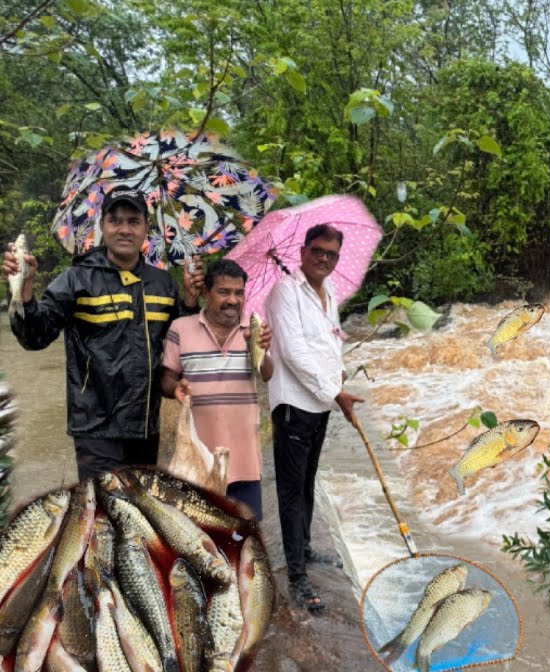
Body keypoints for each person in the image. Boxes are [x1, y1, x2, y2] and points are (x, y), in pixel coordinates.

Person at [3, 187, 204, 481]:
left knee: (141, 515)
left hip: (145, 428)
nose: (125, 229)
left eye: (134, 221)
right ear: (103, 226)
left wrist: (188, 301)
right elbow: (34, 337)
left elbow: (181, 349)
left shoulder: (163, 284)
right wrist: (25, 289)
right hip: (95, 429)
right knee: (104, 518)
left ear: (146, 229)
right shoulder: (76, 279)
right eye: (116, 221)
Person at [266, 222, 365, 613]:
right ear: (303, 251)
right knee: (291, 491)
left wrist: (338, 375)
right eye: (318, 251)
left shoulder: (330, 292)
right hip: (293, 405)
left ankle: (305, 548)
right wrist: (336, 393)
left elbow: (331, 339)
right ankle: (297, 577)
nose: (324, 258)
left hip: (320, 404)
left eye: (332, 254)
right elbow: (292, 353)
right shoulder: (285, 291)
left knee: (307, 481)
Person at [160, 258, 274, 519]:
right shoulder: (181, 328)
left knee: (245, 539)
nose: (233, 300)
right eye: (224, 292)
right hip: (197, 459)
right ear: (205, 294)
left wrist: (260, 349)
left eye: (239, 293)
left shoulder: (254, 328)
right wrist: (176, 387)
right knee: (201, 539)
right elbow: (166, 377)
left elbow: (267, 374)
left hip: (245, 460)